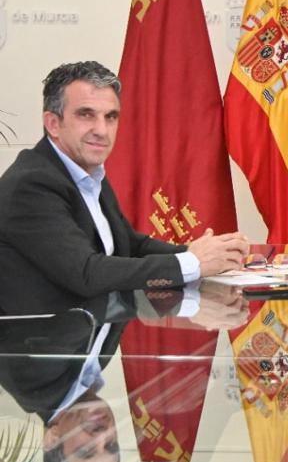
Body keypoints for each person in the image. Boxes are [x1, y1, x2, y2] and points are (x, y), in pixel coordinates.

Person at [0, 61, 248, 315]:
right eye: (86, 114)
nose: (101, 130)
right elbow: (87, 273)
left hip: (87, 339)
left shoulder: (88, 171)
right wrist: (192, 263)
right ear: (53, 123)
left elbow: (129, 245)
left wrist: (205, 255)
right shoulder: (31, 186)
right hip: (44, 350)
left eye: (111, 117)